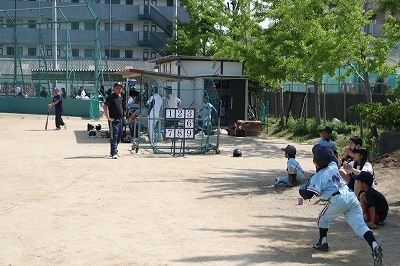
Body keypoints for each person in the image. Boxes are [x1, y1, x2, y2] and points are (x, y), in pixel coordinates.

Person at [299, 145, 383, 266]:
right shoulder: (333, 165)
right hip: (351, 197)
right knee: (361, 227)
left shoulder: (318, 177)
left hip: (338, 199)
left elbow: (307, 195)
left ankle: (323, 243)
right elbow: (333, 157)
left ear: (314, 161)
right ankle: (375, 246)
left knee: (322, 218)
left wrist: (303, 189)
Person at [103, 82, 124, 159]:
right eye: (117, 88)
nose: (119, 89)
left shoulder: (120, 97)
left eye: (120, 88)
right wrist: (108, 118)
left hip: (120, 120)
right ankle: (113, 153)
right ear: (114, 89)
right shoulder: (110, 97)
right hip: (113, 121)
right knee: (113, 137)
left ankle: (115, 150)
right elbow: (105, 106)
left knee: (118, 137)